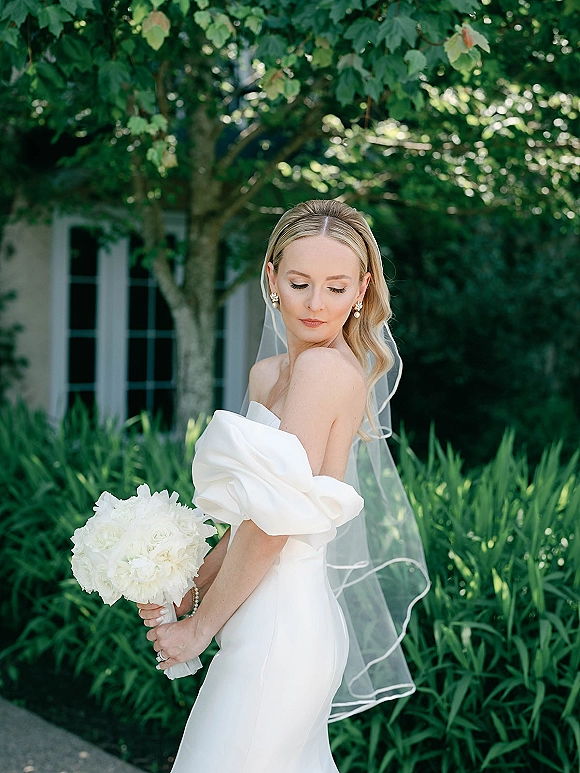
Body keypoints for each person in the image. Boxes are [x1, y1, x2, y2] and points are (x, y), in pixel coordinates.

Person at [137, 199, 429, 772]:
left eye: (337, 287)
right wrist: (189, 587)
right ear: (271, 278)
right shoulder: (269, 374)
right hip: (258, 612)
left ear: (364, 288)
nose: (317, 304)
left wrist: (198, 627)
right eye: (299, 283)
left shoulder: (324, 371)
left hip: (282, 627)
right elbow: (252, 516)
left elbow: (276, 525)